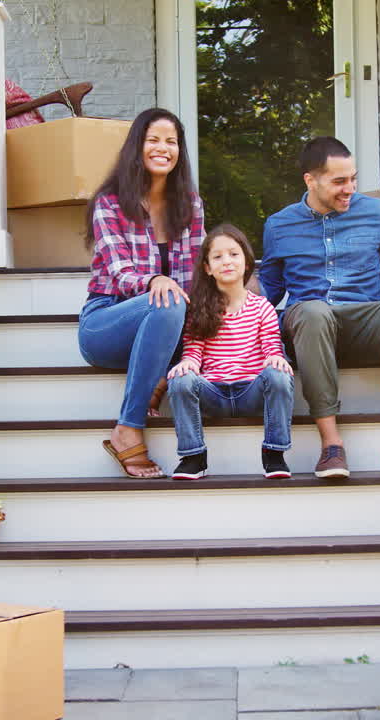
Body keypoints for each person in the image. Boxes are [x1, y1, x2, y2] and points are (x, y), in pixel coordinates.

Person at [257, 137, 380, 483]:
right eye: (339, 181)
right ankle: (331, 445)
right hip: (309, 325)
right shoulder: (279, 225)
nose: (350, 188)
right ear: (311, 180)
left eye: (353, 178)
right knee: (312, 311)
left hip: (362, 319)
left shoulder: (377, 214)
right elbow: (269, 292)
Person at [77, 108, 204, 479]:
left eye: (171, 141)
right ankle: (128, 427)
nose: (163, 148)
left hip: (169, 322)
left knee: (195, 308)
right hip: (107, 321)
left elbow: (197, 274)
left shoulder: (191, 205)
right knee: (169, 301)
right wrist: (154, 281)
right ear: (137, 147)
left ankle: (161, 374)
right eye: (153, 140)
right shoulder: (110, 203)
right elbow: (119, 272)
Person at [166, 224, 295, 480]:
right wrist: (187, 363)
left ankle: (274, 453)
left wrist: (275, 357)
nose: (226, 261)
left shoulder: (262, 308)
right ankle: (193, 457)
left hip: (251, 391)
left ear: (247, 262)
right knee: (180, 379)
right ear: (207, 268)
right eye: (218, 257)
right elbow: (193, 351)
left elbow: (271, 344)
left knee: (279, 374)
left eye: (234, 254)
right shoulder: (200, 310)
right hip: (213, 393)